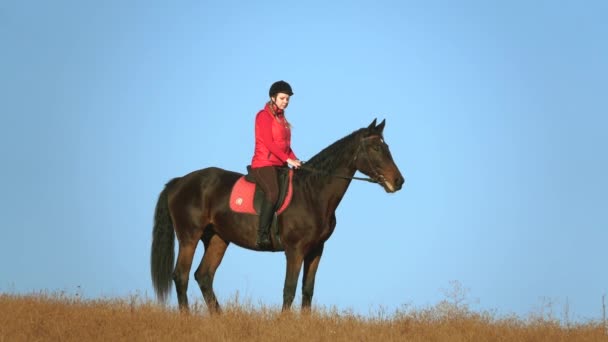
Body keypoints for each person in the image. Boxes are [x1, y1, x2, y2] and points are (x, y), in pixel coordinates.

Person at [250, 80, 302, 249]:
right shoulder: (263, 116)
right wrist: (288, 160)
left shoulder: (282, 119)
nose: (285, 101)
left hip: (280, 164)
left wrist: (296, 160)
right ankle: (262, 235)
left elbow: (286, 146)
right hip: (263, 164)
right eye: (282, 98)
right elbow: (269, 142)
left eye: (287, 99)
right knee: (273, 193)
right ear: (273, 98)